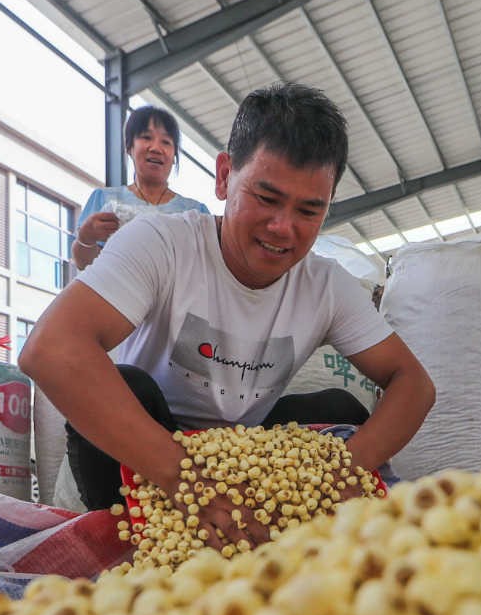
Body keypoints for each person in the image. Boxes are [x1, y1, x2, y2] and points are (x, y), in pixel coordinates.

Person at [22, 83, 435, 549]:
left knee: (339, 410)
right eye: (266, 197)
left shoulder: (326, 284)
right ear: (224, 176)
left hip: (244, 452)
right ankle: (148, 539)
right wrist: (184, 477)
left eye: (308, 210)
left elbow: (413, 383)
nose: (283, 228)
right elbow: (50, 350)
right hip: (146, 443)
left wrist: (345, 471)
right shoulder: (163, 244)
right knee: (127, 385)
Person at [71, 106, 208, 271]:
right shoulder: (104, 199)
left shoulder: (196, 212)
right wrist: (86, 238)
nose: (156, 148)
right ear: (129, 147)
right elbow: (84, 264)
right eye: (146, 137)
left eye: (166, 142)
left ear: (174, 156)